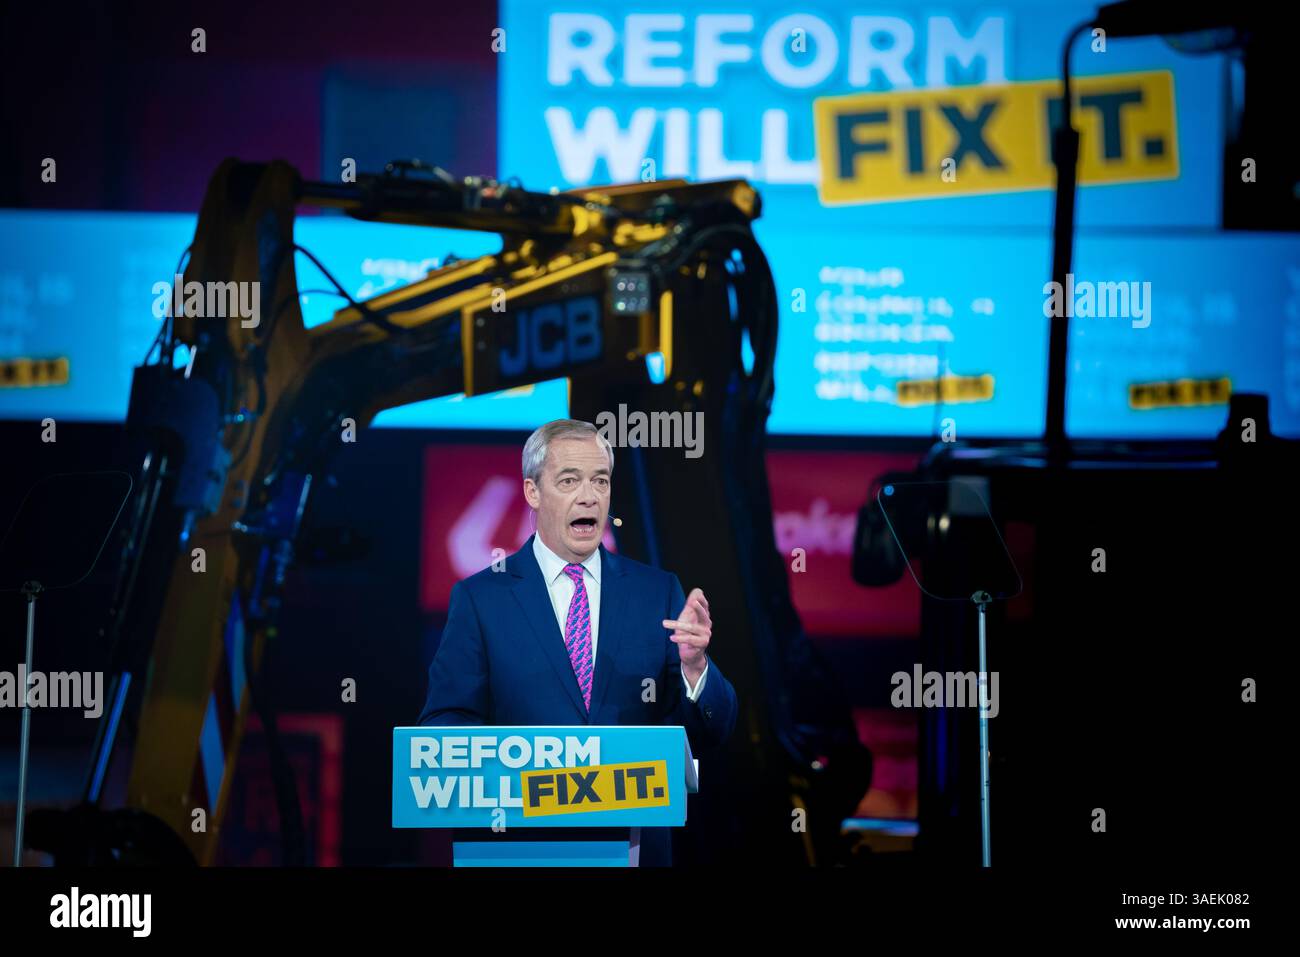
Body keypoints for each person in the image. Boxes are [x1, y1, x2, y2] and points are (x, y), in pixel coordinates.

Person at [418, 418, 738, 866]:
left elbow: (712, 731)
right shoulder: (480, 598)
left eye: (600, 481)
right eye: (569, 480)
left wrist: (695, 667)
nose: (588, 496)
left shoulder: (657, 593)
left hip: (633, 849)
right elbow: (445, 723)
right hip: (517, 849)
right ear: (533, 492)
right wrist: (504, 769)